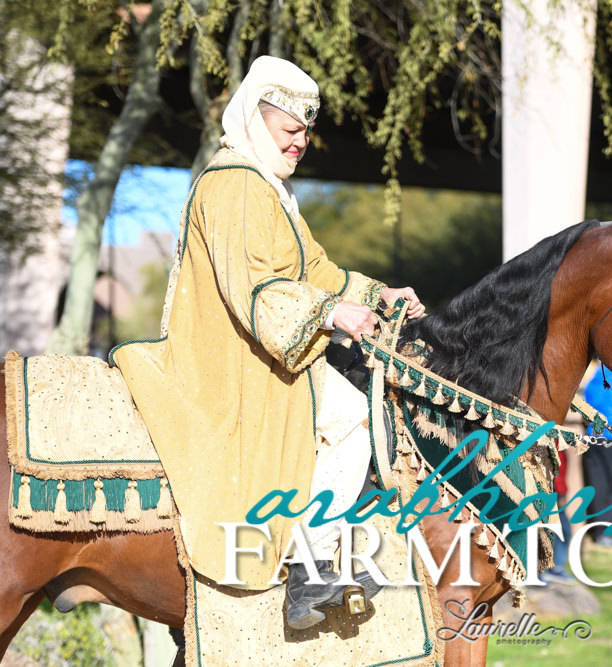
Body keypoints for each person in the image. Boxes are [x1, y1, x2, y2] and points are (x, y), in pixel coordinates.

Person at [113, 57, 425, 630]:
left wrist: (378, 295)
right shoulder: (234, 186)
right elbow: (253, 288)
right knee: (355, 417)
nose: (301, 142)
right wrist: (332, 313)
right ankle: (304, 572)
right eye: (291, 131)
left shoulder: (270, 190)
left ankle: (309, 565)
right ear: (257, 124)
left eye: (305, 132)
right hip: (230, 363)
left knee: (357, 415)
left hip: (264, 352)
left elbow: (316, 269)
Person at [581, 367, 612, 546]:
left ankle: (598, 530)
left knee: (597, 483)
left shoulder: (593, 377)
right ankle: (606, 532)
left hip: (593, 435)